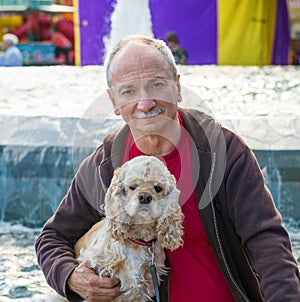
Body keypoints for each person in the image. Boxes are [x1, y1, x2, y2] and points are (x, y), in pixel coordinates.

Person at [35, 35, 300, 301]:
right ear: (114, 102)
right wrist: (71, 277)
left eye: (157, 85)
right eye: (128, 91)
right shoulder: (105, 162)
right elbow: (52, 237)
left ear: (178, 87)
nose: (145, 103)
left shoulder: (223, 151)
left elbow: (266, 240)